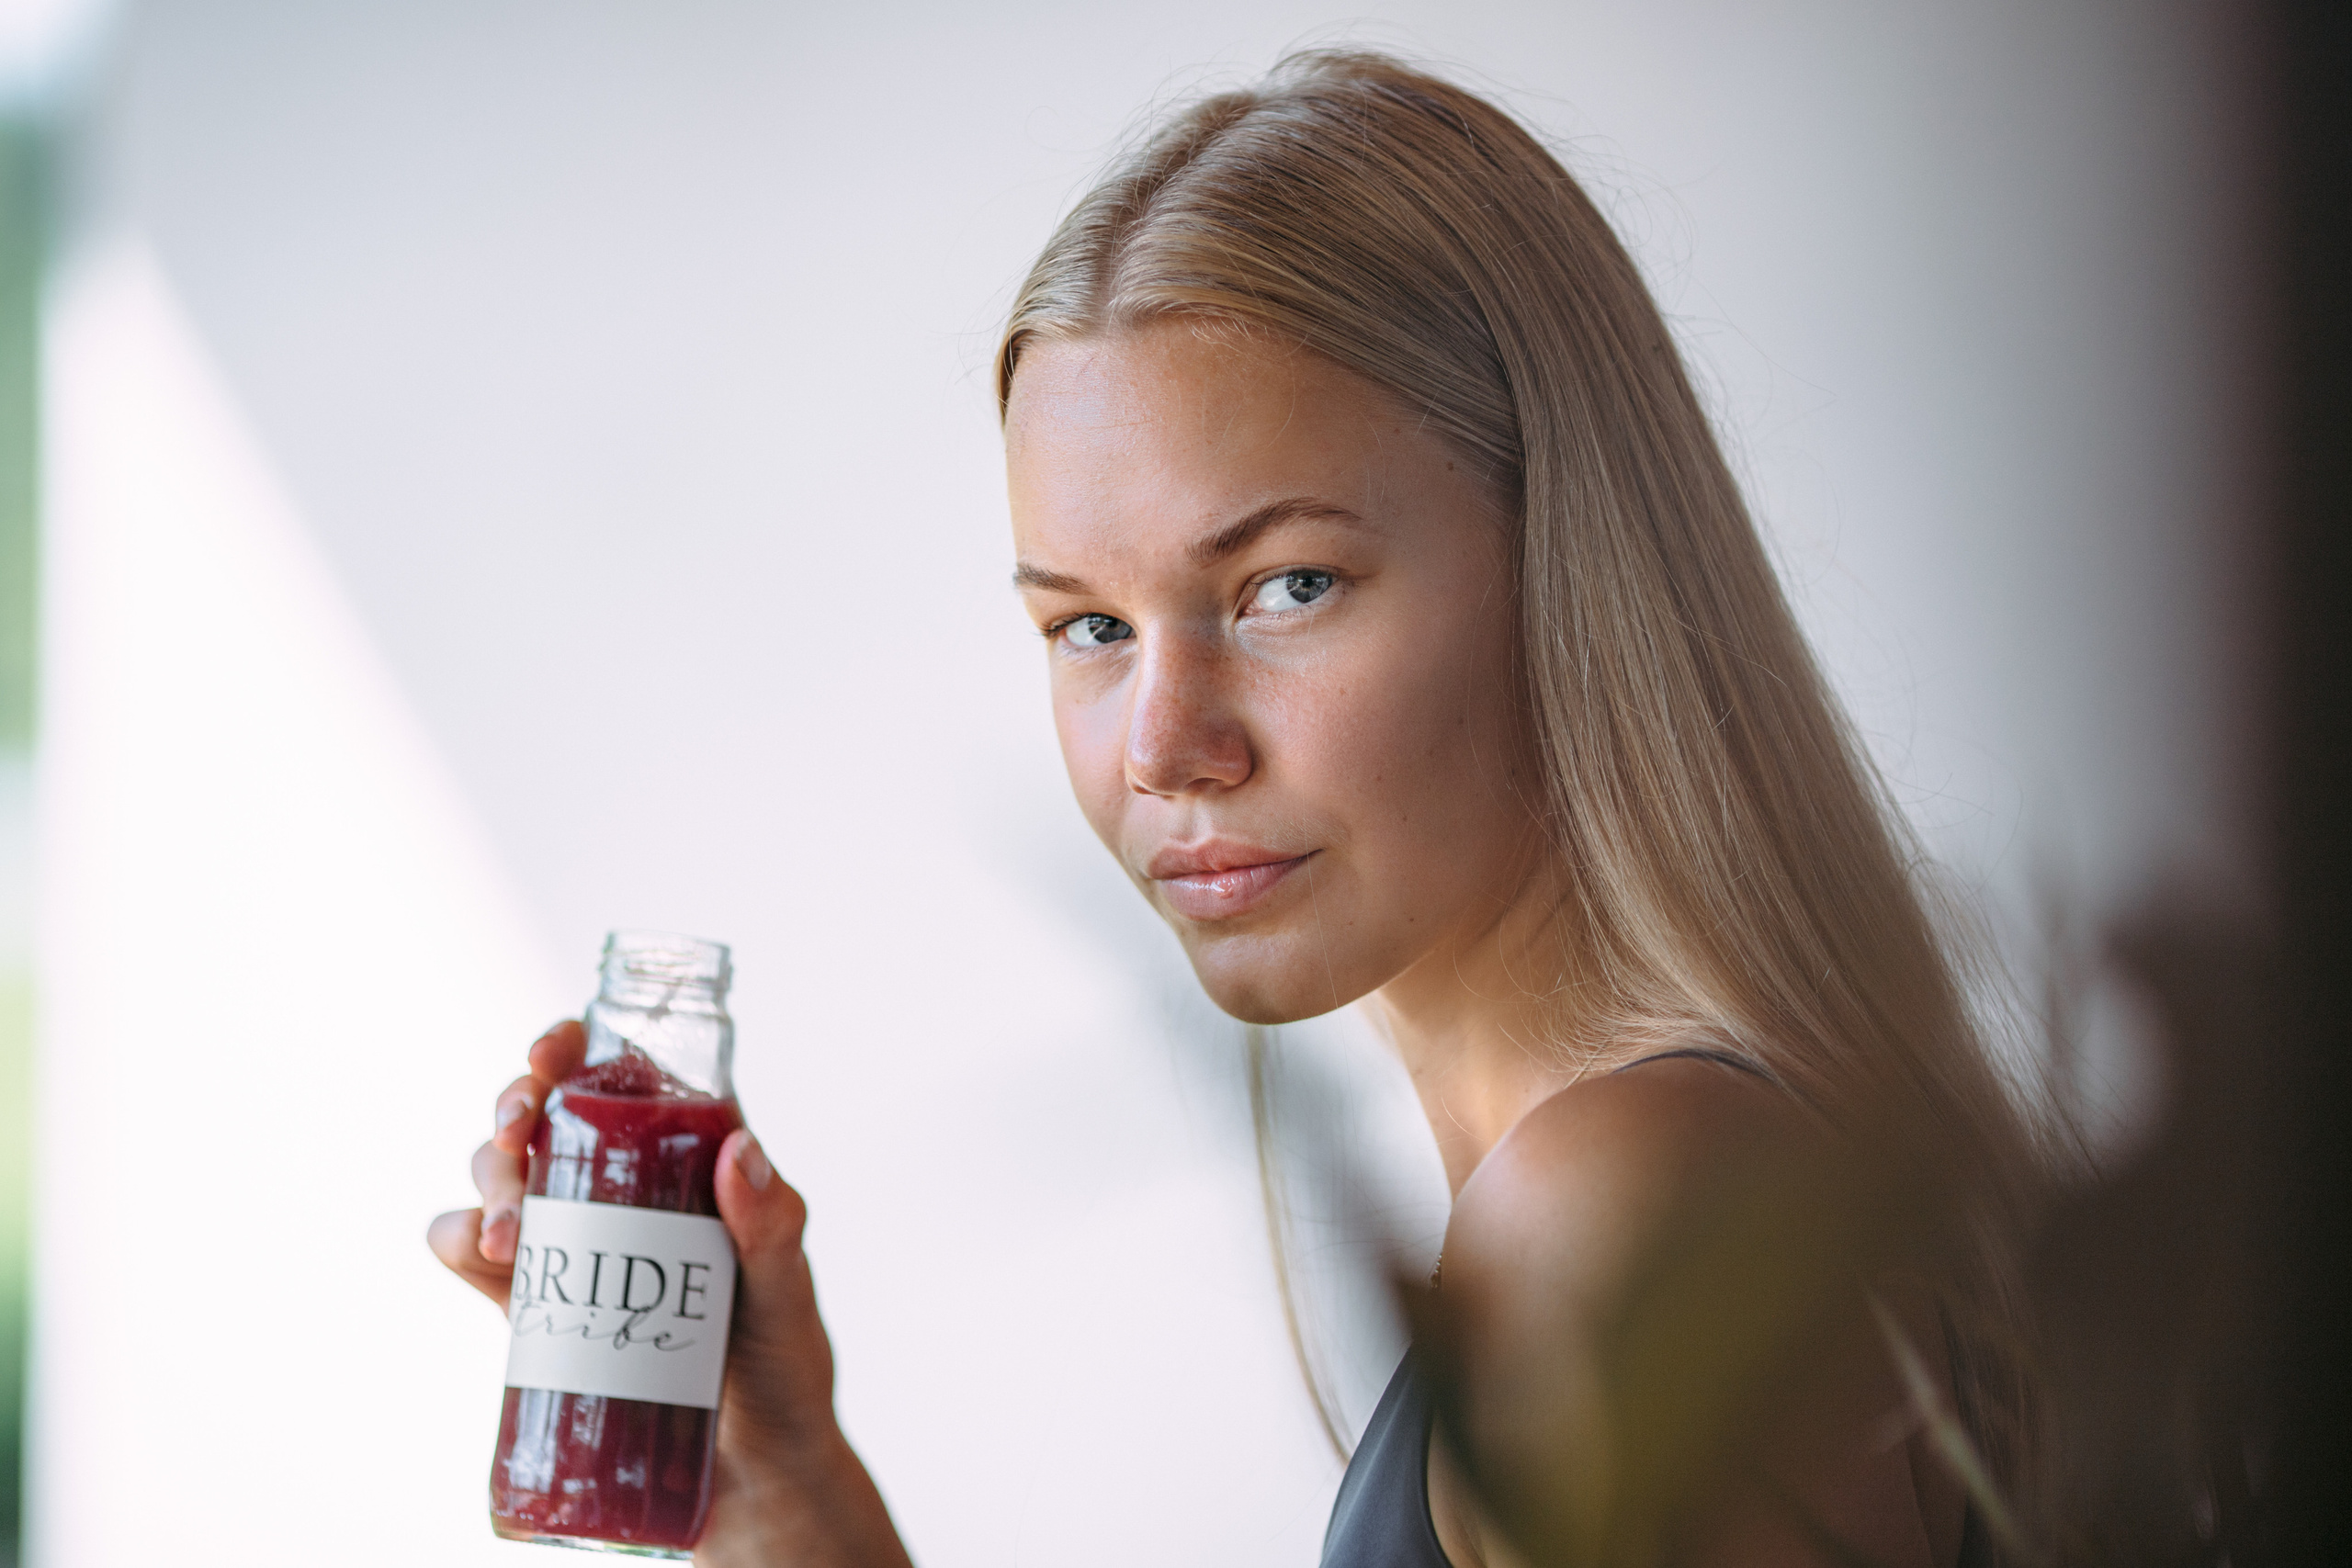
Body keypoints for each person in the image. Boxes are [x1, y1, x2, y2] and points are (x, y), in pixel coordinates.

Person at [432, 51, 2037, 1568]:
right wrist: (786, 1493)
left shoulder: (1621, 1222)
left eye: (1288, 585)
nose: (1165, 745)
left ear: (1571, 566)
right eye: (1091, 629)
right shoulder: (1658, 1186)